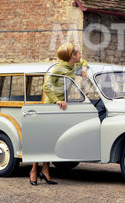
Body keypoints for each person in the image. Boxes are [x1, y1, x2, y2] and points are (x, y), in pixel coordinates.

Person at [29, 43, 88, 185]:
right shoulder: (57, 68)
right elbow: (46, 86)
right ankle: (33, 170)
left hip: (60, 108)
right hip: (51, 105)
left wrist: (84, 68)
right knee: (43, 140)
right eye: (78, 53)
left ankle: (45, 171)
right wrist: (57, 101)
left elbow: (85, 62)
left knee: (51, 140)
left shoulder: (73, 66)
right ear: (72, 56)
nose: (81, 55)